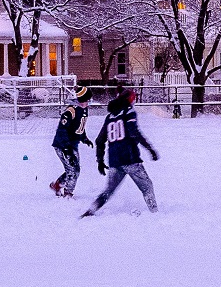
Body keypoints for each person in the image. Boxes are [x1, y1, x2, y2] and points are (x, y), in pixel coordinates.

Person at [82, 89, 159, 217]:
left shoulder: (110, 117)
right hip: (130, 159)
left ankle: (92, 209)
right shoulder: (129, 112)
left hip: (114, 161)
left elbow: (100, 140)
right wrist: (150, 149)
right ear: (130, 100)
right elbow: (134, 132)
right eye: (133, 99)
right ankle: (155, 213)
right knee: (147, 187)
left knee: (109, 190)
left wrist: (100, 161)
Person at [50, 86, 94, 198]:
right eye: (86, 100)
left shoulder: (84, 109)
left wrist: (84, 138)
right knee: (72, 170)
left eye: (88, 100)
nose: (87, 103)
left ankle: (57, 185)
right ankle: (68, 194)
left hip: (73, 144)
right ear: (80, 99)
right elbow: (62, 130)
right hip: (62, 145)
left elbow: (80, 126)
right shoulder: (71, 111)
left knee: (76, 169)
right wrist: (66, 148)